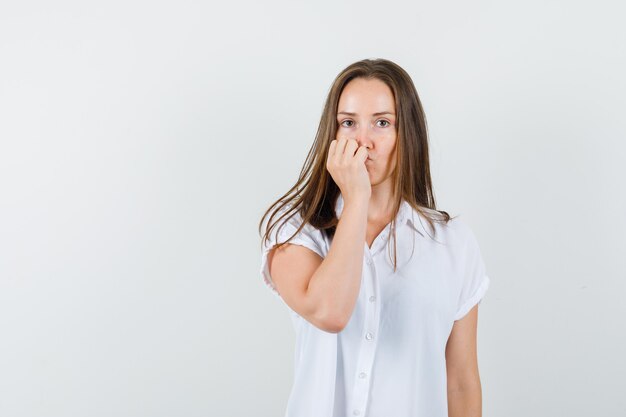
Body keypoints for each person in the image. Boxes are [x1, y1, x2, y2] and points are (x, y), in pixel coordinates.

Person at [258, 58, 490, 417]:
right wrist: (357, 199)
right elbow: (330, 312)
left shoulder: (453, 243)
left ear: (406, 135)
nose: (363, 141)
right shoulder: (294, 231)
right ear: (332, 136)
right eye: (348, 123)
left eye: (382, 123)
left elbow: (460, 381)